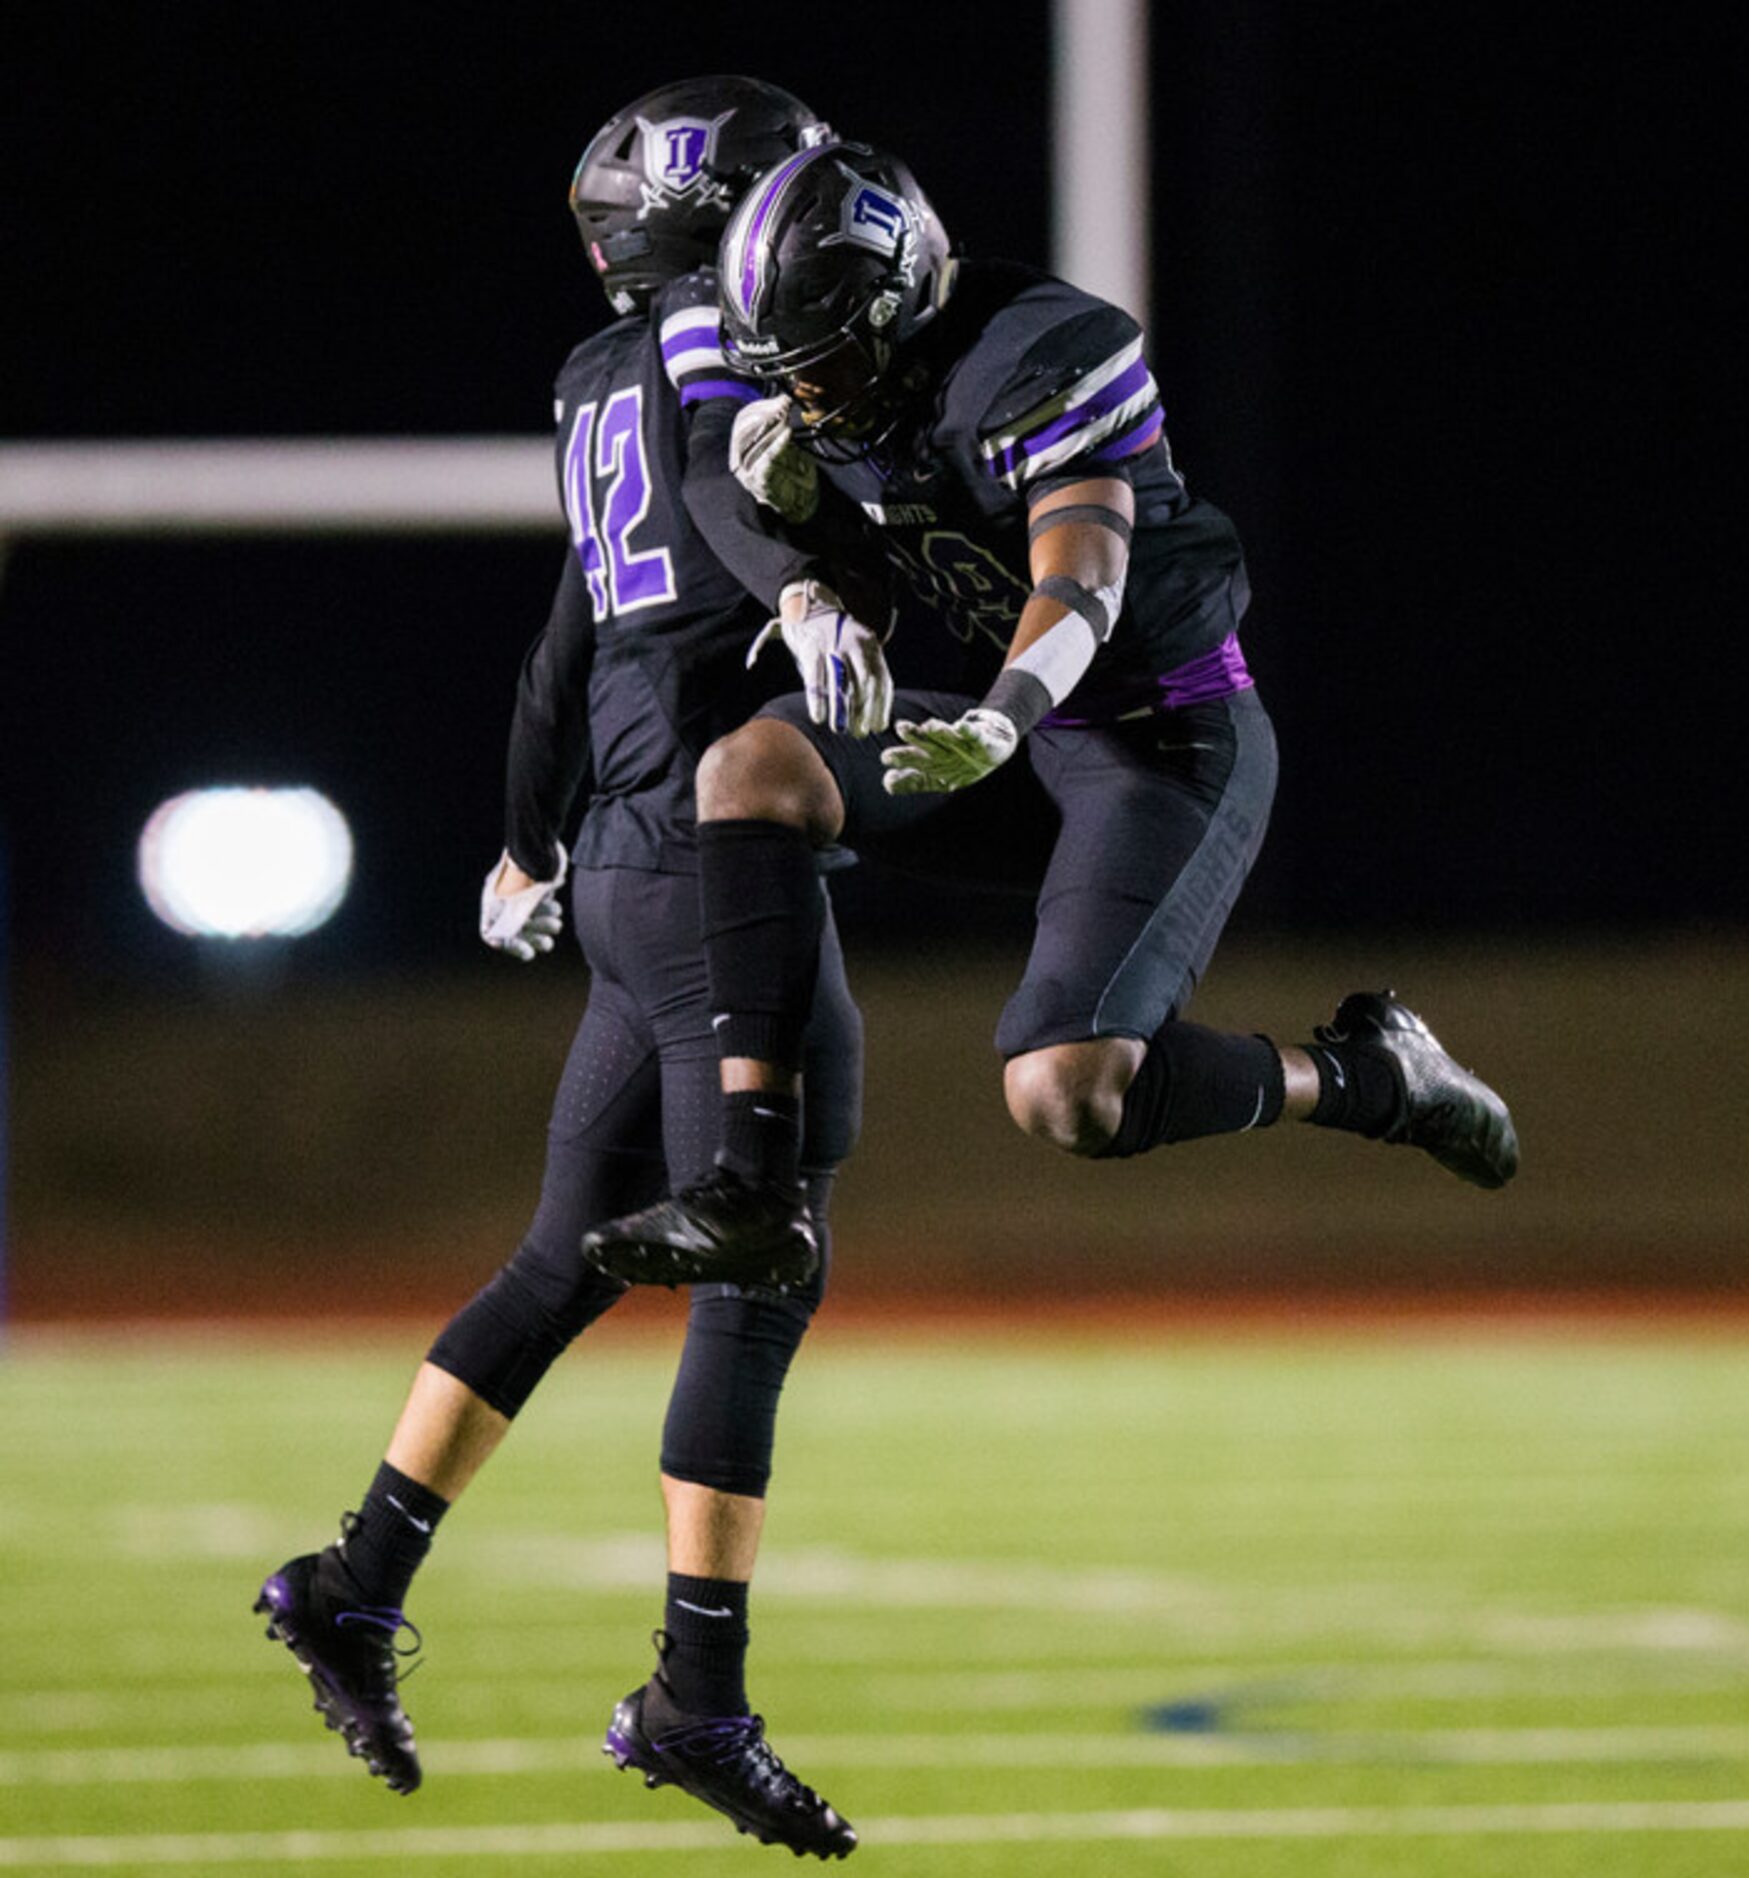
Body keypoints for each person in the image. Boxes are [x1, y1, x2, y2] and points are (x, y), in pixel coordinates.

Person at [579, 139, 1519, 1292]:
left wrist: (1002, 716)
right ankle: (753, 1189)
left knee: (1067, 1093)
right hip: (1029, 739)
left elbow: (1082, 584)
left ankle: (1376, 1080)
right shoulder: (853, 381)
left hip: (1164, 744)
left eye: (819, 366)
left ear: (894, 306)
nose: (803, 395)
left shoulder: (1036, 355)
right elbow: (899, 545)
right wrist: (817, 569)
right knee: (750, 769)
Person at [252, 78, 858, 1861]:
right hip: (703, 854)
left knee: (563, 1252)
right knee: (765, 1254)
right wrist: (812, 593)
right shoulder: (700, 357)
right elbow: (725, 511)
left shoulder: (594, 378)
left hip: (613, 842)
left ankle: (356, 1580)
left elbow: (567, 629)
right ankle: (698, 1694)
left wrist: (525, 837)